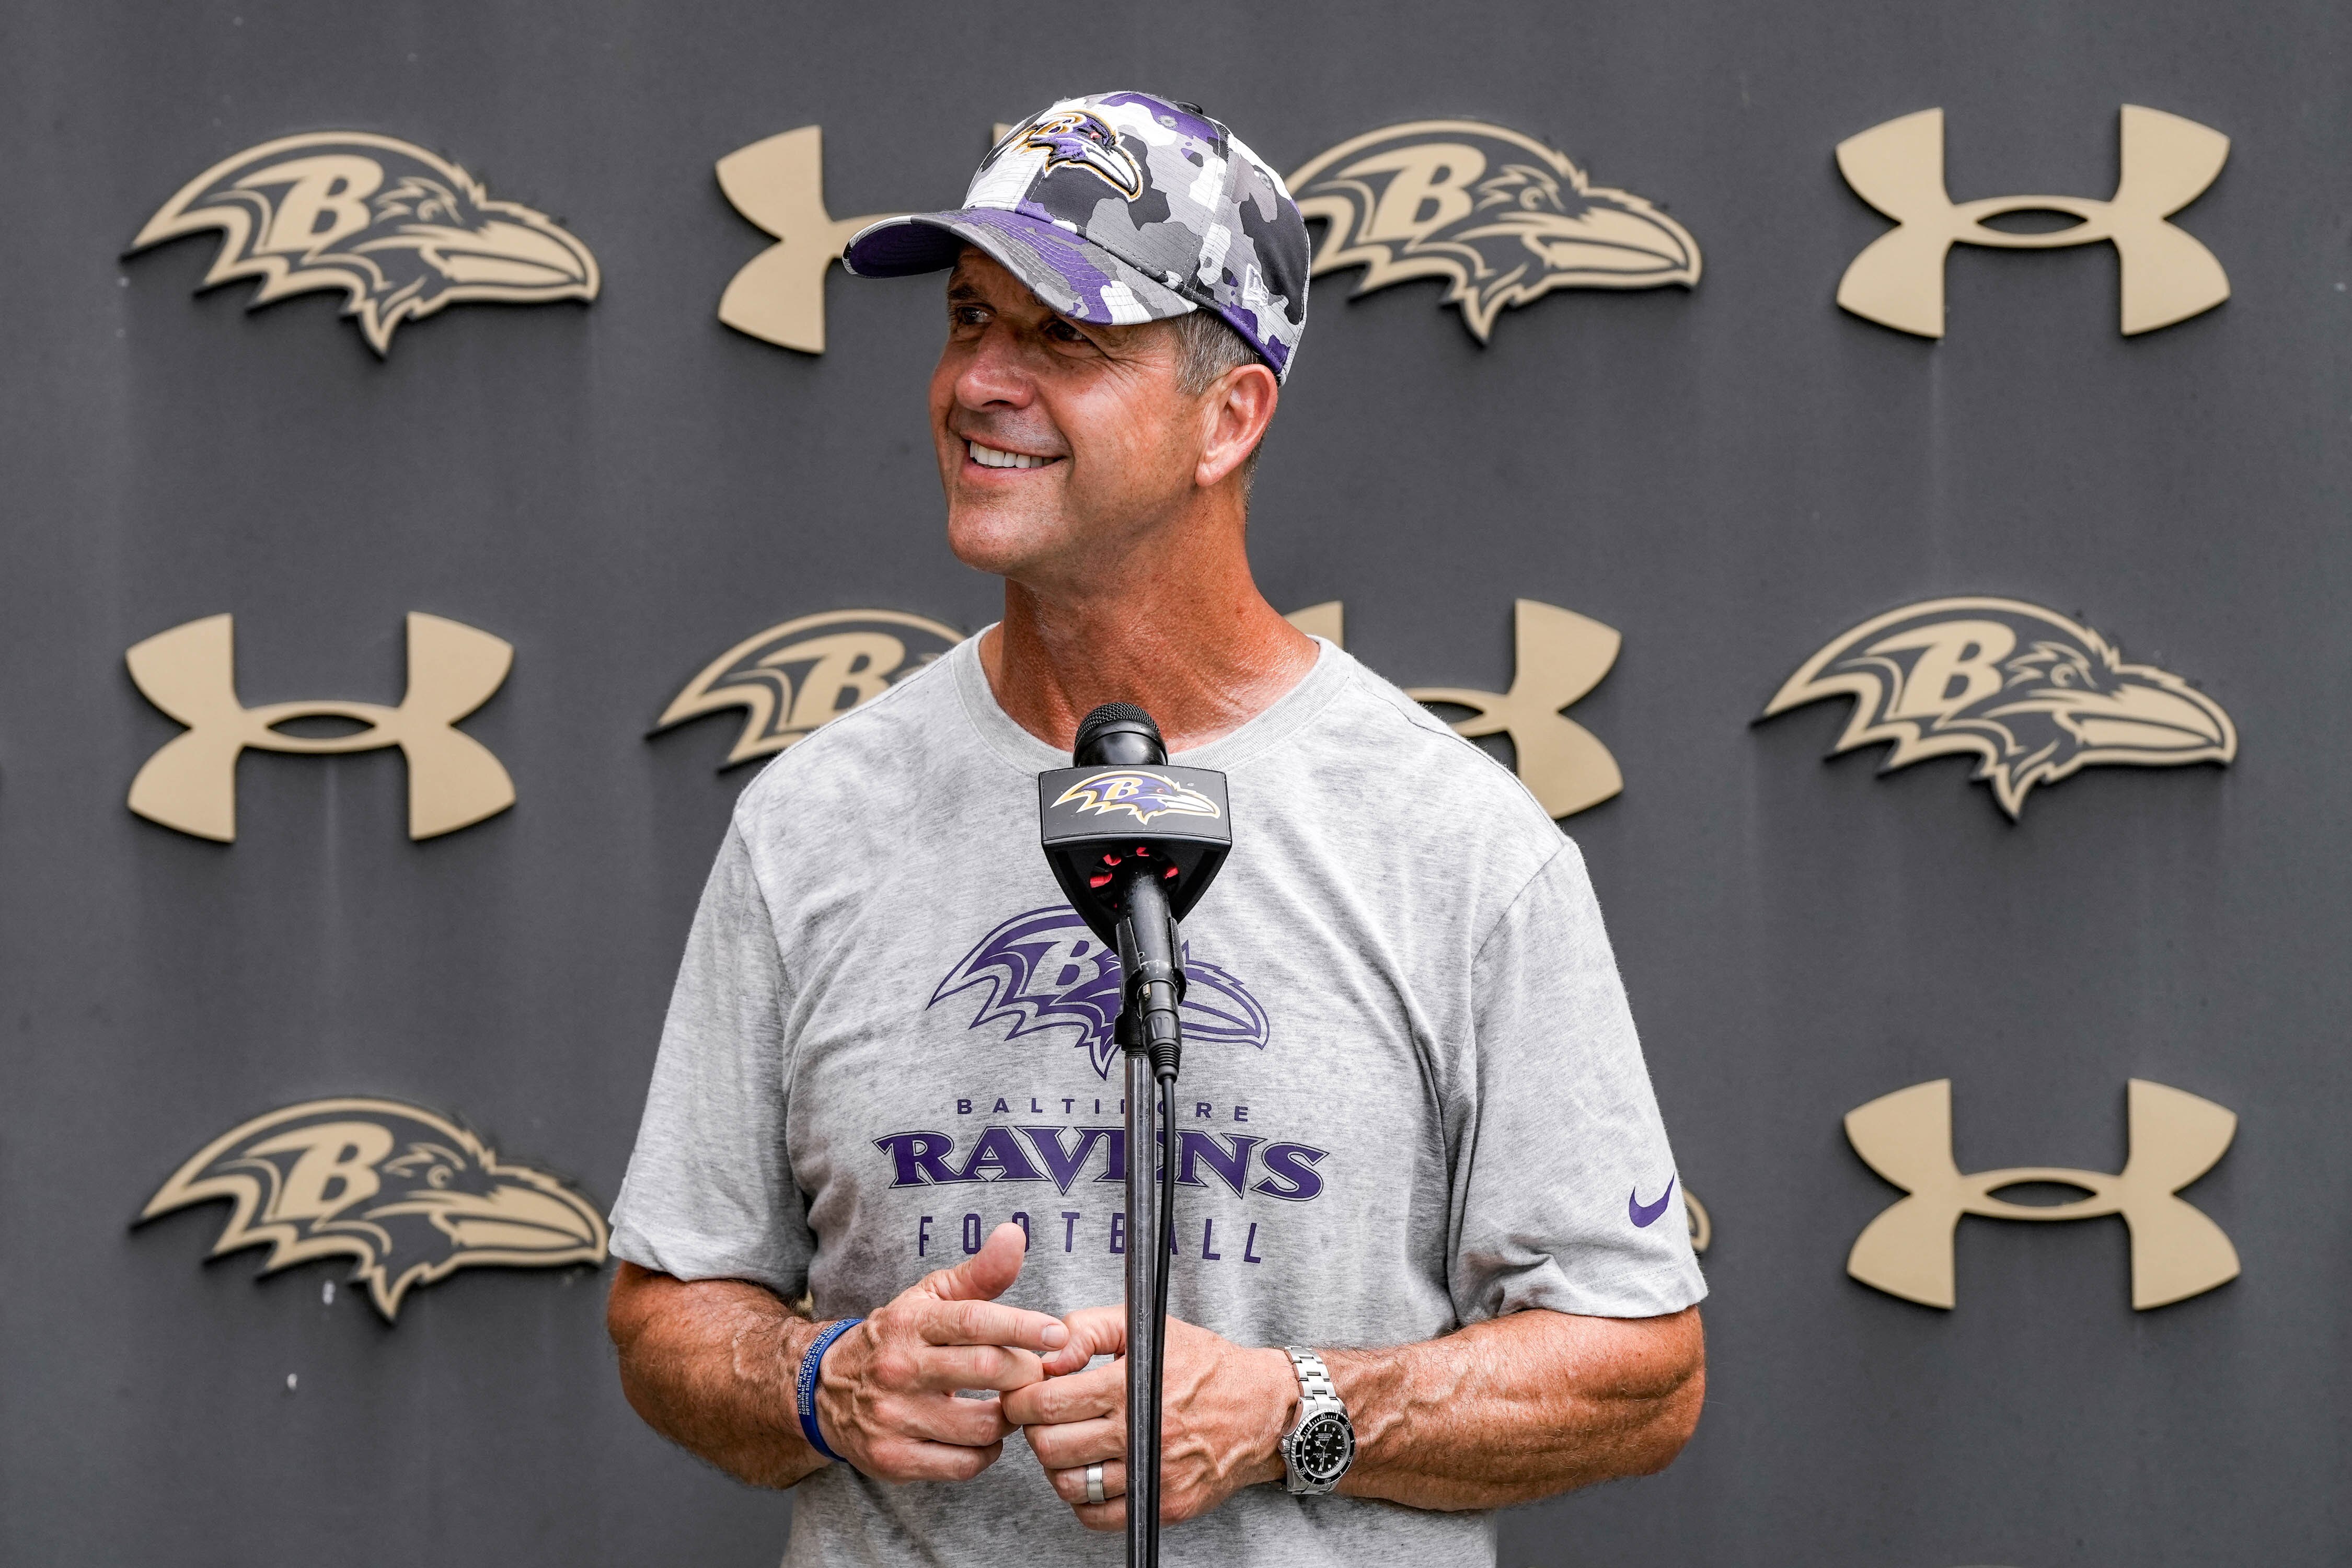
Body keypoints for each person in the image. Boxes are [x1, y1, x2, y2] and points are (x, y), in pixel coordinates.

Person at [604, 90, 1705, 1567]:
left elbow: (1638, 1371)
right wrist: (818, 1381)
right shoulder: (815, 821)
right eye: (965, 322)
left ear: (1228, 416)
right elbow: (671, 1305)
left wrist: (1294, 1408)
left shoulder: (1457, 847)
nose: (979, 383)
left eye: (1065, 339)